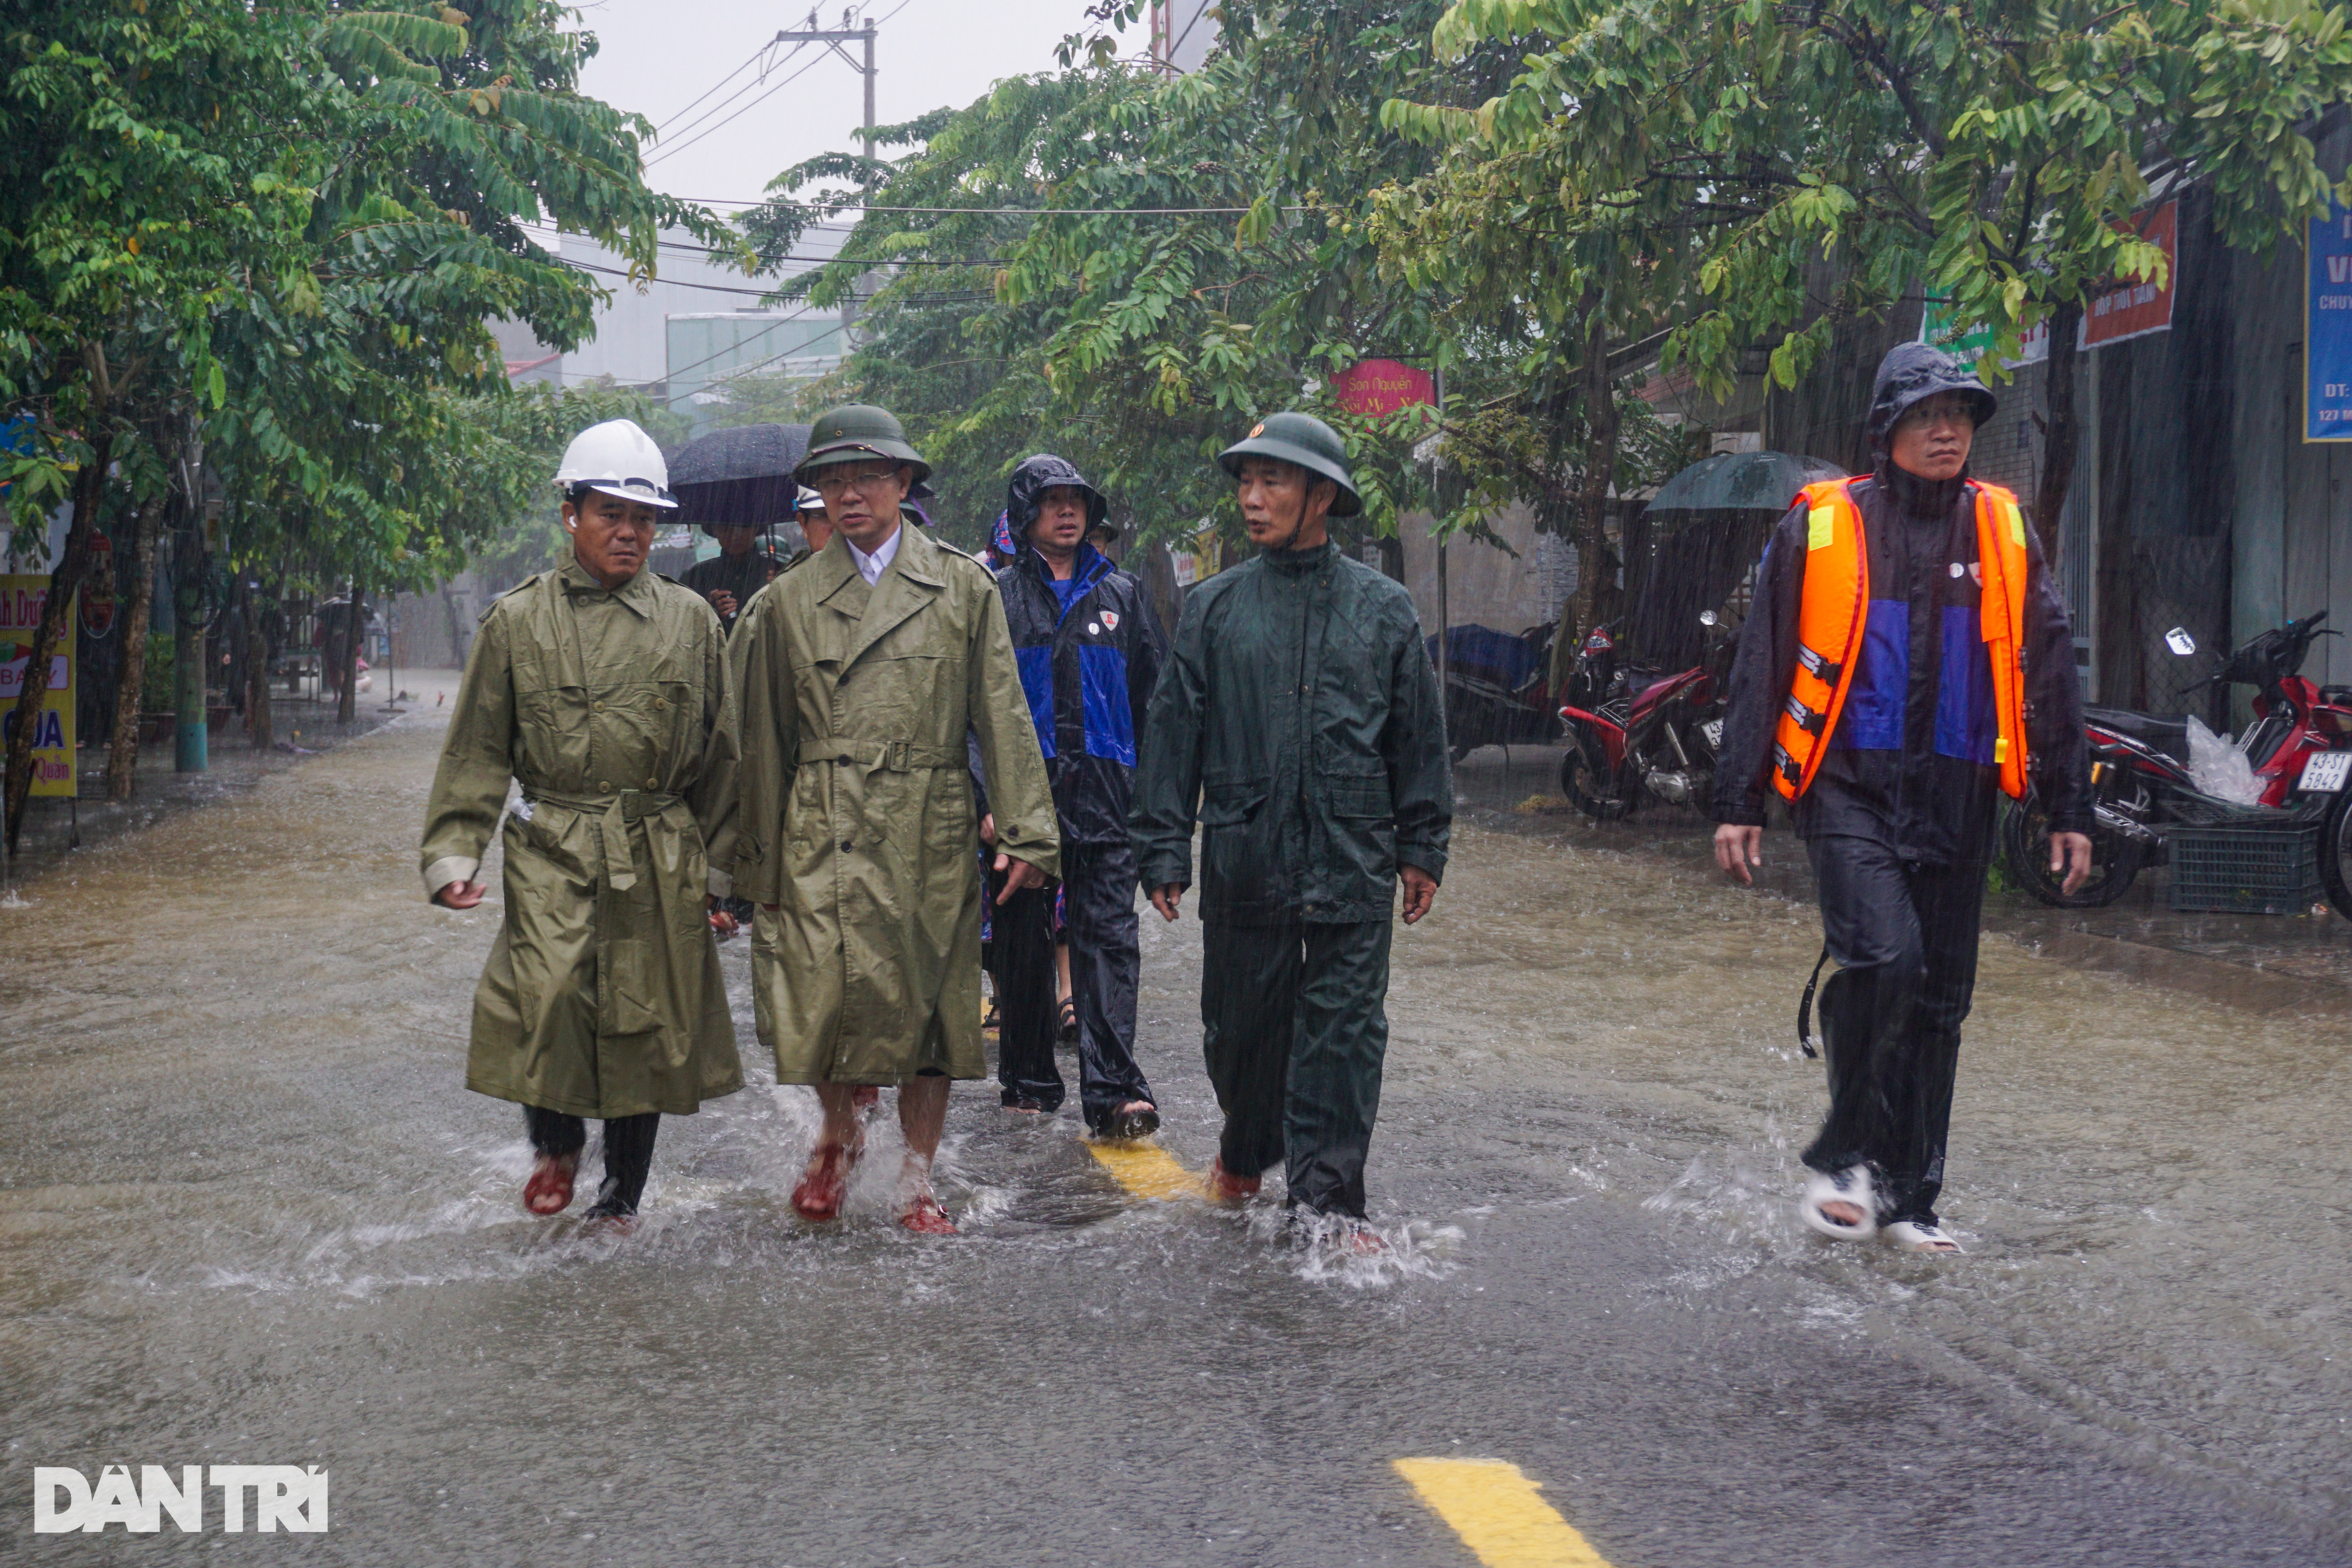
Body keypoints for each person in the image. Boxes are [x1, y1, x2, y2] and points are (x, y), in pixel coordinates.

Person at [1710, 343, 2094, 1255]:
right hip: (1846, 789)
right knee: (1887, 961)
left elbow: (2047, 673)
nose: (1946, 430)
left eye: (1959, 415)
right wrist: (1737, 800)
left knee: (1937, 1005)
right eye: (1927, 415)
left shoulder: (2002, 531)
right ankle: (1845, 1157)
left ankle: (1910, 1201)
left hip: (1958, 795)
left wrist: (2068, 805)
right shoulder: (1822, 526)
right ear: (1884, 432)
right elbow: (1760, 658)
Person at [728, 404, 1059, 1235]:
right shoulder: (786, 605)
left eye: (866, 478)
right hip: (823, 821)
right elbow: (760, 740)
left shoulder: (960, 587)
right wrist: (749, 865)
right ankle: (838, 1137)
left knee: (932, 1006)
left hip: (929, 824)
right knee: (823, 993)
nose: (849, 496)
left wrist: (1025, 830)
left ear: (904, 483)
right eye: (831, 482)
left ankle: (917, 1175)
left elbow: (1002, 714)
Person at [1131, 412, 1453, 1225]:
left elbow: (1418, 738)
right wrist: (1165, 845)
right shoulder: (1213, 609)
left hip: (1351, 858)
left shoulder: (1383, 612)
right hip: (1246, 855)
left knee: (1342, 1041)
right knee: (1240, 1039)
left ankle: (1331, 1209)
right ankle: (1244, 1152)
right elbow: (1174, 733)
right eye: (1244, 480)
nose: (1251, 497)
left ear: (1320, 496)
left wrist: (1422, 847)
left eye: (1271, 480)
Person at [420, 418, 743, 1226]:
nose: (630, 534)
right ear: (571, 514)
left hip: (656, 846)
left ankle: (621, 1194)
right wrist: (453, 855)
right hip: (553, 843)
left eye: (644, 520)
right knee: (549, 996)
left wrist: (725, 877)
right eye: (612, 515)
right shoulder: (516, 623)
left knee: (643, 1021)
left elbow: (722, 757)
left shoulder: (690, 622)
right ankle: (557, 1145)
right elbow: (477, 751)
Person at [992, 454, 1166, 1139]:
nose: (1068, 511)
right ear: (1023, 513)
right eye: (1051, 500)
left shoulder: (1121, 596)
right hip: (1022, 804)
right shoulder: (997, 598)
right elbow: (974, 712)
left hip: (1105, 801)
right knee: (1021, 945)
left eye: (1077, 501)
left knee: (1108, 941)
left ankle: (1116, 1088)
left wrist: (1157, 805)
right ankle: (1029, 1078)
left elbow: (1156, 704)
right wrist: (988, 799)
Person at [679, 515, 772, 633]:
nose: (735, 536)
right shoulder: (695, 576)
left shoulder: (777, 573)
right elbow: (683, 628)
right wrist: (709, 612)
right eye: (726, 529)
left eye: (743, 528)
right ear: (715, 530)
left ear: (756, 528)